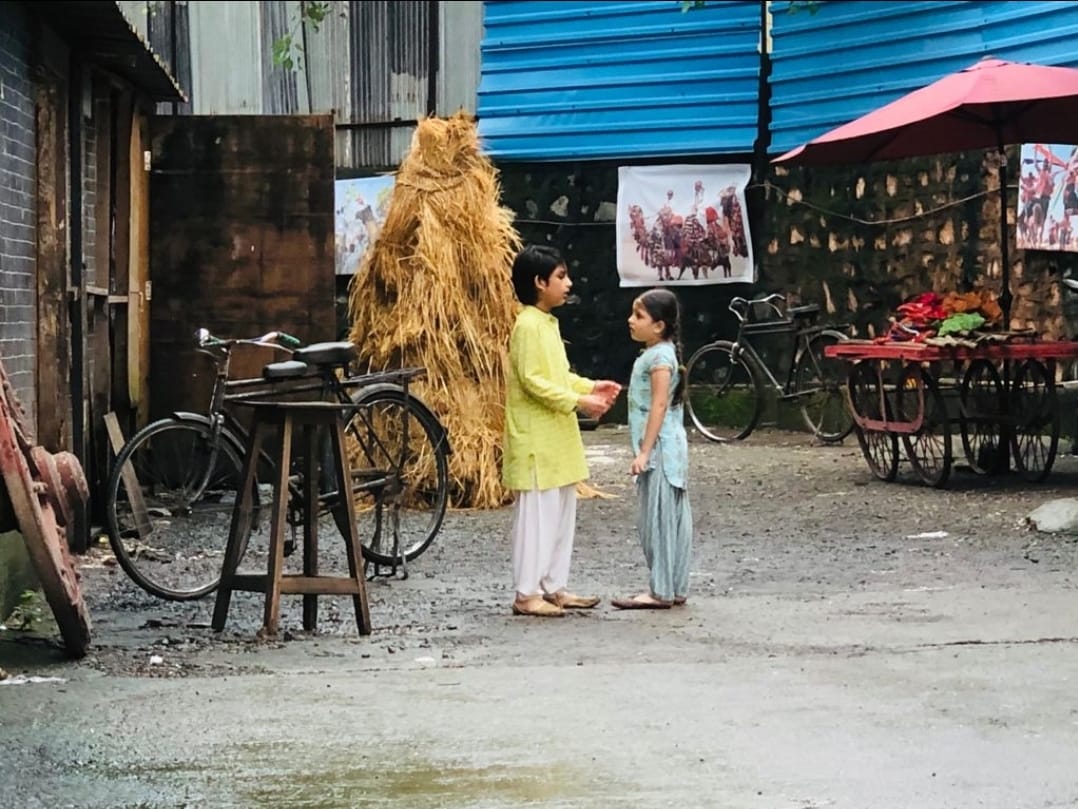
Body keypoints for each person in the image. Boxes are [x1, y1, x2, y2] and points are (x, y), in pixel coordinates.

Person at [503, 244, 622, 617]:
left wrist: (589, 387)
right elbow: (534, 381)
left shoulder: (545, 324)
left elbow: (557, 376)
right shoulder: (526, 326)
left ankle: (554, 586)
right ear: (539, 283)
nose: (568, 284)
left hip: (555, 437)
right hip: (537, 439)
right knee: (538, 518)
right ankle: (527, 593)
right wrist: (581, 402)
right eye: (560, 277)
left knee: (560, 515)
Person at [612, 288, 693, 610]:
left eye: (638, 315)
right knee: (669, 518)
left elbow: (659, 404)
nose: (630, 321)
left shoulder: (659, 357)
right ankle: (673, 585)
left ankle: (661, 590)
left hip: (660, 449)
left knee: (657, 521)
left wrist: (644, 452)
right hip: (667, 447)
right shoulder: (660, 354)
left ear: (658, 326)